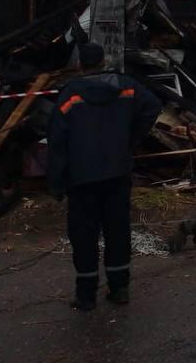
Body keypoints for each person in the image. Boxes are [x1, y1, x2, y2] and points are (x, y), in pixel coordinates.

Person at [48, 42, 160, 312]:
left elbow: (57, 141)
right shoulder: (127, 87)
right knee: (117, 230)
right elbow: (153, 106)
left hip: (82, 178)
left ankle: (86, 295)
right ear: (102, 61)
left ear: (79, 65)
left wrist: (56, 182)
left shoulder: (69, 96)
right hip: (117, 172)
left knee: (84, 235)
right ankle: (119, 288)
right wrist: (131, 139)